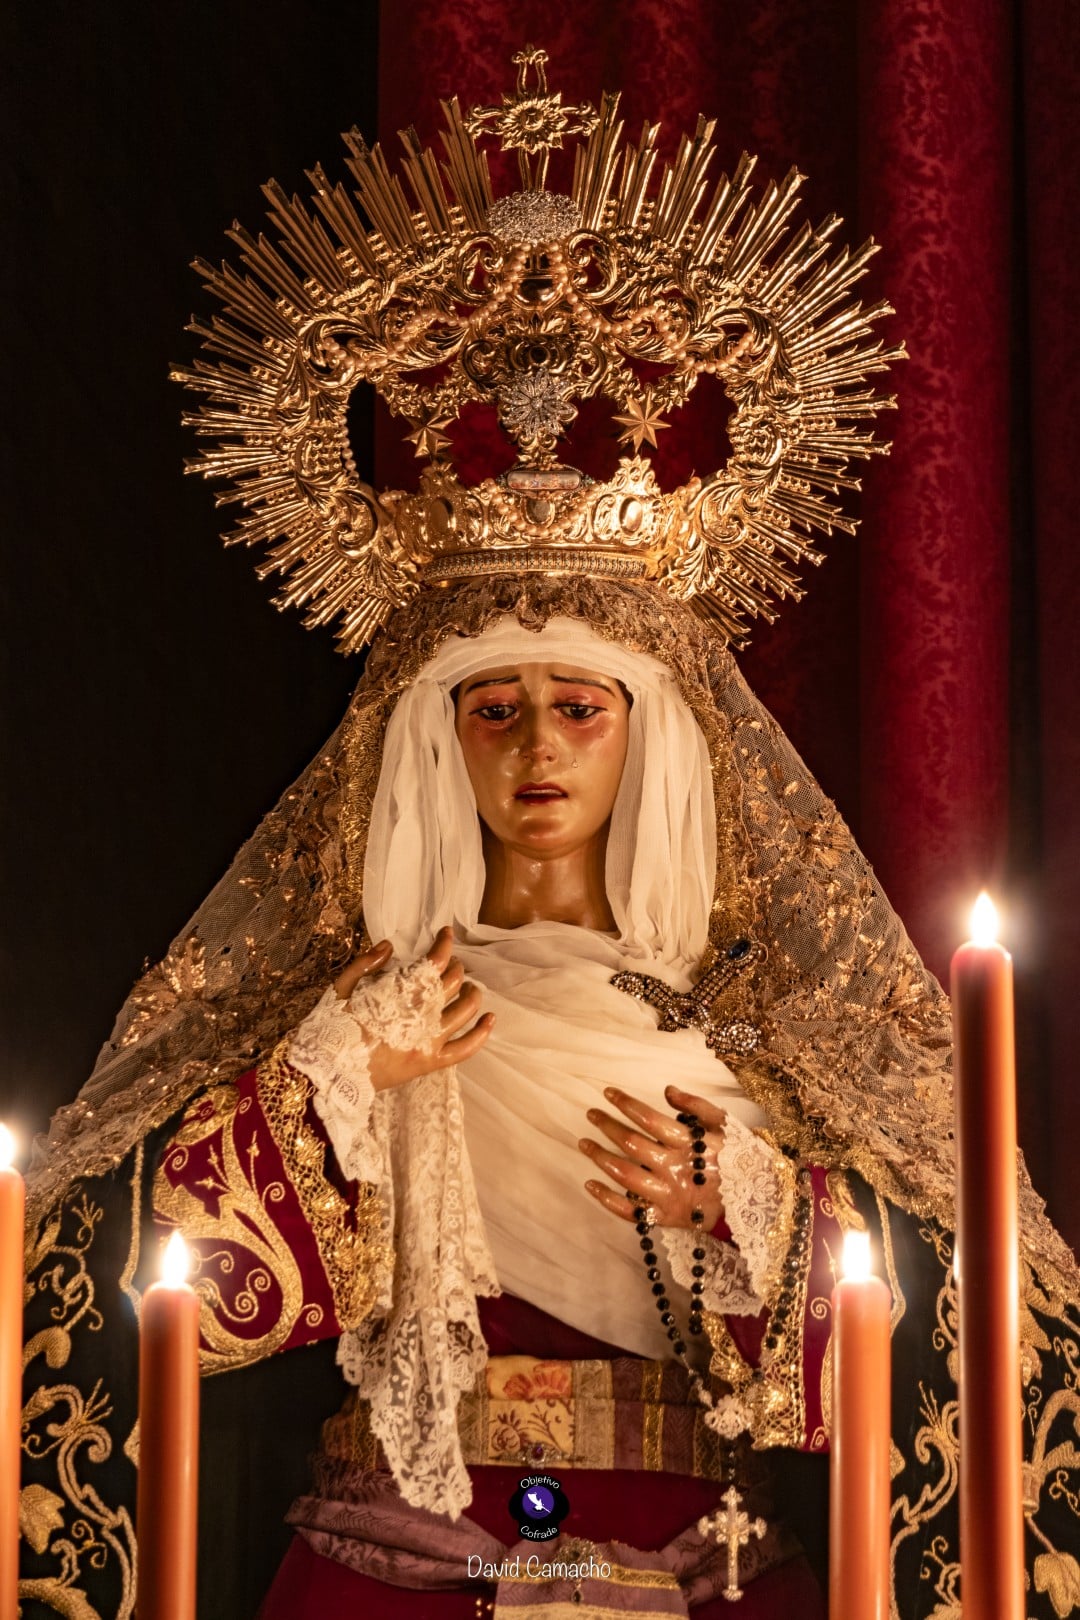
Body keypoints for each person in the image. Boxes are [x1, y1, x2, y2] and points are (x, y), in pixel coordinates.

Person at [18, 47, 1080, 1620]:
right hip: (395, 1567)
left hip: (699, 1569)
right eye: (492, 707)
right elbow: (134, 1291)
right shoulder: (369, 1014)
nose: (535, 747)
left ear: (648, 741)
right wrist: (331, 1094)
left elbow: (956, 1338)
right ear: (432, 742)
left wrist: (745, 1206)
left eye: (580, 707)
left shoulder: (745, 1031)